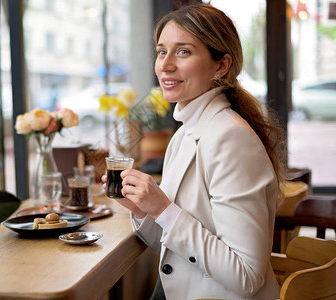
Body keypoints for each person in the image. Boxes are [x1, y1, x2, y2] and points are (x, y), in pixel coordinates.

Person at [103, 4, 284, 300]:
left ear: (221, 65)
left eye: (183, 51)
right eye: (162, 52)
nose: (165, 64)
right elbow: (176, 245)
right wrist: (142, 209)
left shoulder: (230, 138)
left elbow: (247, 276)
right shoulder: (184, 135)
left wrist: (163, 208)